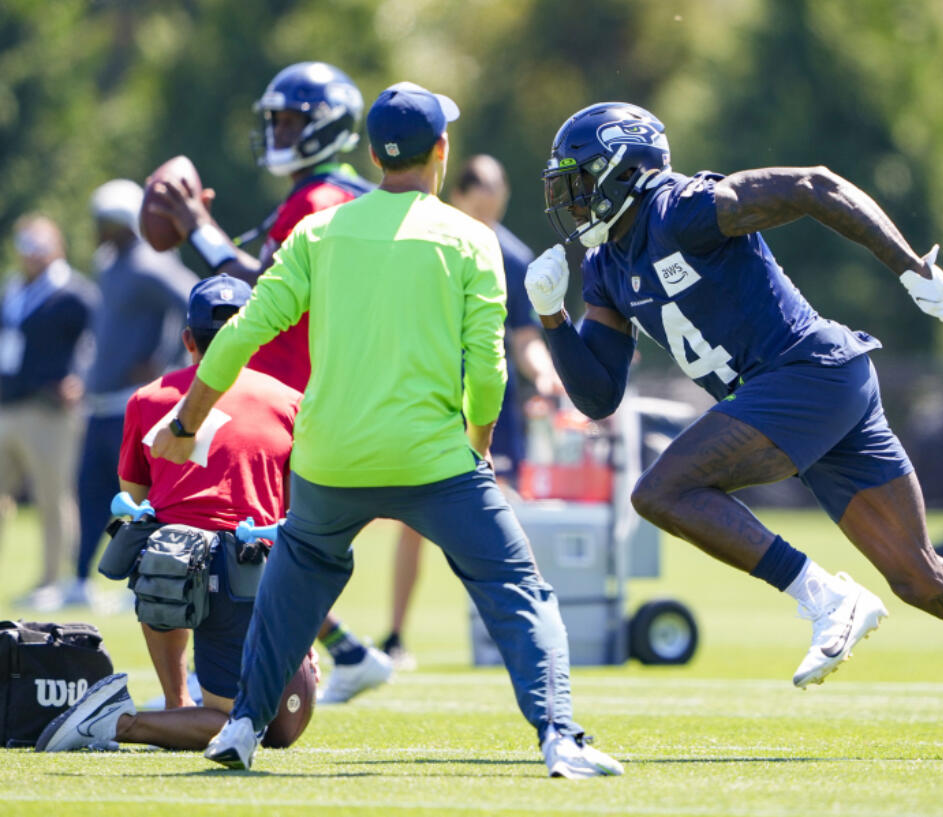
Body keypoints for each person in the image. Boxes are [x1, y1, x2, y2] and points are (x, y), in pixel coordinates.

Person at [525, 101, 943, 761]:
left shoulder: (679, 209)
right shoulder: (605, 265)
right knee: (922, 577)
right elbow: (598, 394)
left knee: (663, 489)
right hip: (814, 392)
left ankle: (825, 596)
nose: (571, 200)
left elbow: (814, 185)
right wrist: (551, 317)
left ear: (624, 169)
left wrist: (909, 264)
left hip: (809, 374)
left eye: (579, 180)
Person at [149, 82, 623, 778]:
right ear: (442, 150)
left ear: (372, 153)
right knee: (519, 589)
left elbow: (243, 331)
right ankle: (560, 736)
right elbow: (487, 368)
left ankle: (242, 727)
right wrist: (481, 448)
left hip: (329, 462)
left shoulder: (318, 231)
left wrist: (187, 422)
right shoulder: (471, 238)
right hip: (435, 462)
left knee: (290, 585)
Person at [147, 61, 392, 704]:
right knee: (267, 540)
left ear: (328, 126)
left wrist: (197, 233)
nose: (279, 131)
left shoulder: (320, 199)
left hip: (294, 390)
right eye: (275, 120)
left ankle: (257, 685)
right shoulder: (321, 194)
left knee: (241, 537)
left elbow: (260, 291)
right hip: (305, 386)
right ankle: (344, 655)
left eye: (291, 120)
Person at [34, 274, 308, 754]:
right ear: (257, 332)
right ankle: (118, 723)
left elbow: (136, 502)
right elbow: (297, 516)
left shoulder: (147, 399)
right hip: (242, 570)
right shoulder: (289, 402)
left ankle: (171, 706)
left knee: (157, 550)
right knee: (241, 724)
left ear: (187, 339)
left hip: (164, 571)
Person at [379, 155, 565, 669]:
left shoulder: (513, 255)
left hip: (490, 410)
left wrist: (546, 374)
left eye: (494, 210)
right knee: (412, 521)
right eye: (477, 209)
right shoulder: (425, 242)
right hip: (430, 401)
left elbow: (525, 338)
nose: (485, 222)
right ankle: (395, 636)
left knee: (499, 521)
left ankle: (519, 638)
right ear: (455, 196)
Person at [71, 179, 197, 610]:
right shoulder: (107, 263)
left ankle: (147, 574)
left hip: (133, 402)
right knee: (91, 495)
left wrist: (169, 361)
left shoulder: (147, 262)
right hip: (100, 403)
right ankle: (77, 580)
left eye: (106, 222)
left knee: (142, 498)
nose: (99, 229)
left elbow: (191, 296)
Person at [1, 216, 97, 610]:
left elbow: (101, 339)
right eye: (27, 247)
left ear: (56, 247)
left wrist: (83, 379)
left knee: (52, 498)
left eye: (39, 247)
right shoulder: (13, 290)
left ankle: (53, 583)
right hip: (9, 407)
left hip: (50, 412)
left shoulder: (73, 293)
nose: (32, 256)